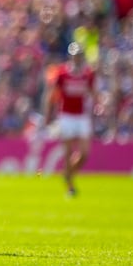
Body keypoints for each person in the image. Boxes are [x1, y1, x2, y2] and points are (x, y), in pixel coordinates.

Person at [42, 42, 97, 196]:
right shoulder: (62, 73)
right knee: (68, 152)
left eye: (79, 56)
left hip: (81, 116)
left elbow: (93, 94)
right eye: (75, 56)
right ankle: (70, 186)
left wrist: (98, 106)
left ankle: (68, 173)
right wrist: (47, 114)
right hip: (66, 116)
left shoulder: (88, 74)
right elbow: (52, 95)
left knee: (85, 153)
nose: (77, 59)